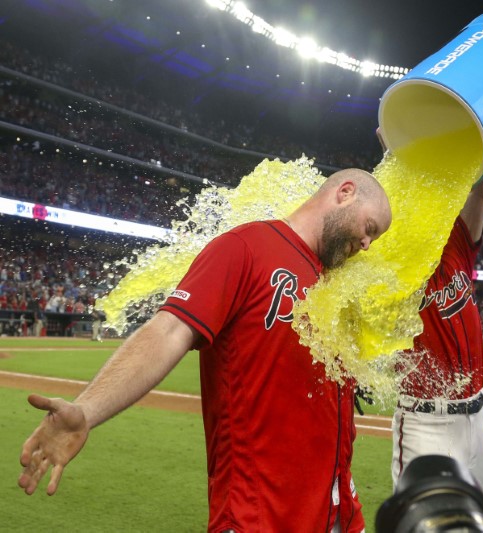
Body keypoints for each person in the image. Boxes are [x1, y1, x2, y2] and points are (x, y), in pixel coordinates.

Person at [18, 168, 393, 533]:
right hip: (257, 515)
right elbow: (167, 331)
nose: (366, 244)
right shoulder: (246, 247)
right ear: (344, 193)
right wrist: (87, 410)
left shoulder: (336, 286)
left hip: (337, 511)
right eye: (370, 228)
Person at [378, 130, 483, 520]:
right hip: (426, 420)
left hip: (476, 416)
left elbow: (479, 189)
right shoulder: (390, 258)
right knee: (429, 525)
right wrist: (397, 157)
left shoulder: (454, 243)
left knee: (482, 522)